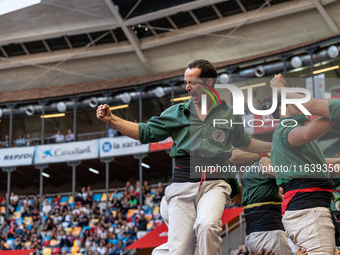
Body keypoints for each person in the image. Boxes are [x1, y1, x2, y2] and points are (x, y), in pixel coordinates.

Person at [96, 59, 271, 255]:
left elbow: (244, 142)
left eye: (192, 82)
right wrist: (113, 119)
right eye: (185, 82)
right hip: (182, 183)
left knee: (207, 225)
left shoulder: (229, 112)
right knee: (180, 251)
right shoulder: (176, 113)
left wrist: (273, 147)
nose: (187, 88)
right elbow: (144, 132)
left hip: (215, 182)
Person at [267, 74, 338, 254]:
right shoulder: (286, 129)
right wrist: (334, 110)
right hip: (308, 210)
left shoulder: (293, 132)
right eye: (296, 98)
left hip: (309, 210)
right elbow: (307, 133)